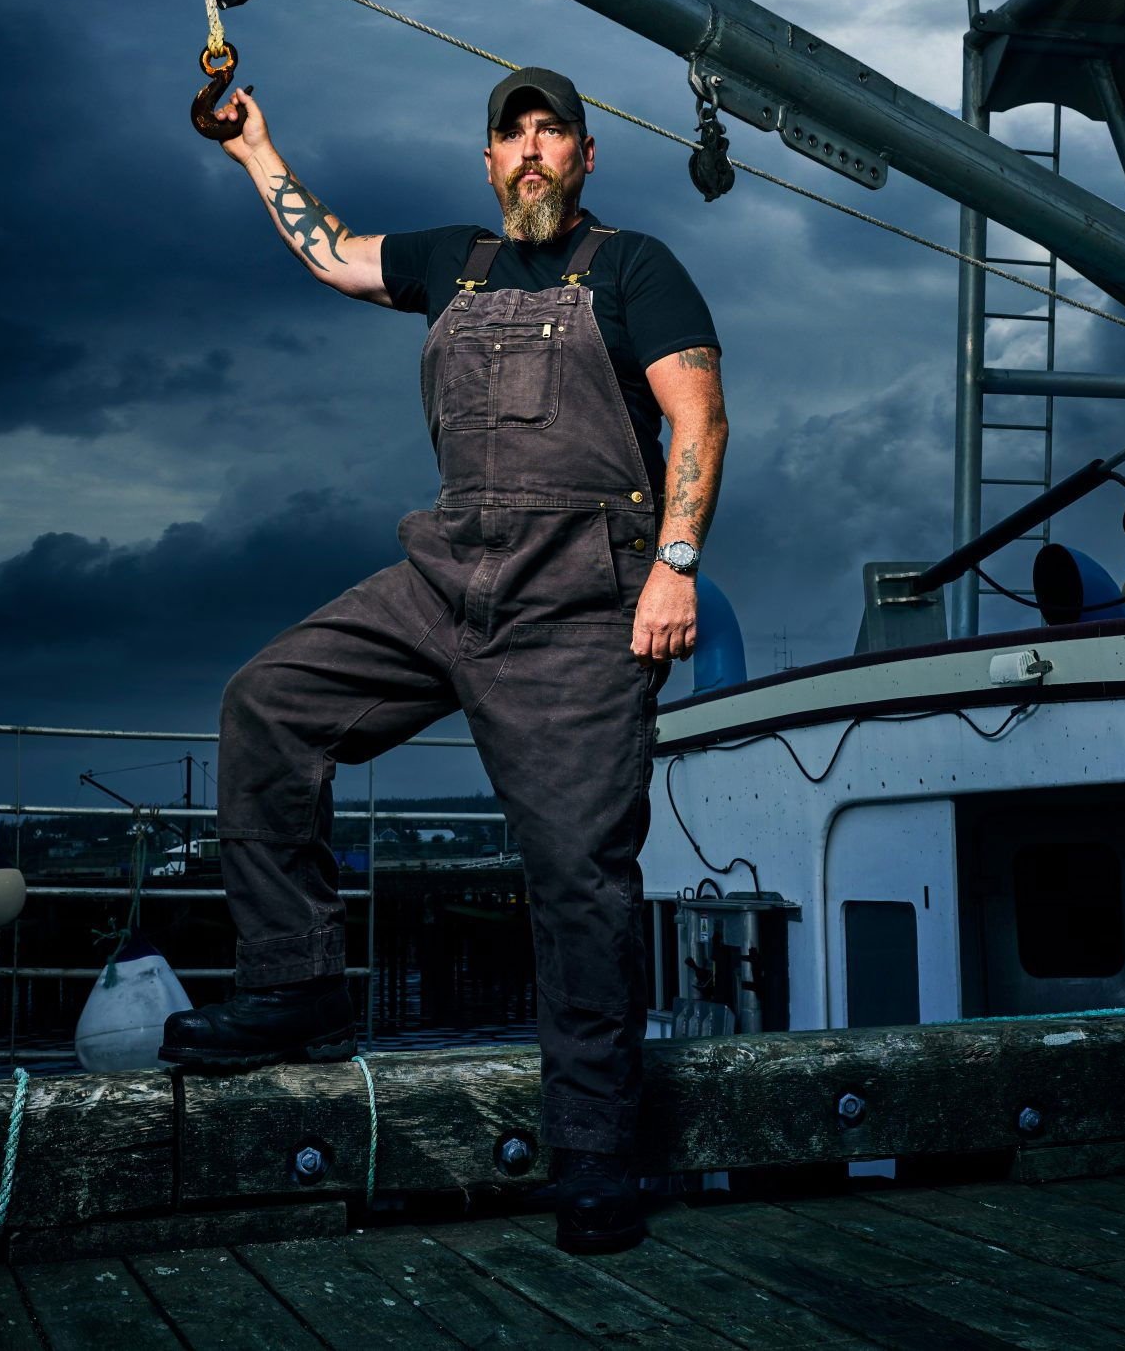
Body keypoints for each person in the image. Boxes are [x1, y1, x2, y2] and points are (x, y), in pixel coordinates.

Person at [158, 66, 728, 1255]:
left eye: (550, 133)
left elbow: (697, 414)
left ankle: (594, 1151)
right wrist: (251, 148)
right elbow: (328, 252)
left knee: (579, 875)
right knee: (268, 702)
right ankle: (296, 980)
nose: (529, 150)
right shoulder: (452, 260)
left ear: (582, 159)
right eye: (509, 134)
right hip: (444, 579)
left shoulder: (632, 267)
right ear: (486, 161)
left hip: (578, 605)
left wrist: (673, 562)